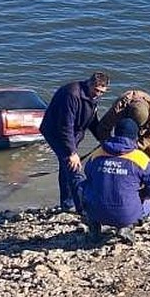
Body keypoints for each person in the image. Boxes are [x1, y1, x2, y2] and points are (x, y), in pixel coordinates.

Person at [80, 117, 150, 243]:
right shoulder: (140, 158)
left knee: (85, 186)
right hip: (126, 215)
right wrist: (143, 194)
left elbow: (88, 174)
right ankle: (128, 225)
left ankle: (94, 228)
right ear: (135, 137)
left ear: (115, 133)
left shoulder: (98, 153)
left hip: (96, 211)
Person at [39, 71, 110, 212]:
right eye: (96, 90)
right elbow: (66, 125)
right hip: (57, 132)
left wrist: (104, 140)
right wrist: (71, 152)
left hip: (74, 133)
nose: (98, 94)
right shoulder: (71, 94)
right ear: (89, 84)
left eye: (102, 92)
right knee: (73, 167)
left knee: (66, 168)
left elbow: (92, 120)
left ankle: (67, 204)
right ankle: (82, 208)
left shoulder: (92, 96)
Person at [94, 88, 150, 190]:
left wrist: (137, 146)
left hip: (147, 131)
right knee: (113, 155)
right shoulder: (119, 108)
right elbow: (103, 128)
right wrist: (110, 146)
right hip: (125, 127)